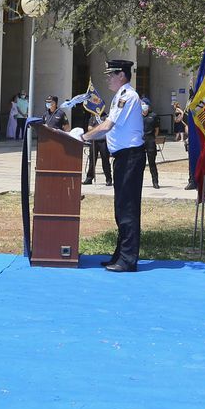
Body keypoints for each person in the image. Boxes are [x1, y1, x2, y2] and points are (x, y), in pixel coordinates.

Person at [81, 59, 144, 272]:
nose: (108, 78)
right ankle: (120, 255)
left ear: (122, 76)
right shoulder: (120, 96)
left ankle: (127, 260)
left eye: (111, 74)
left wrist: (82, 137)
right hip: (123, 158)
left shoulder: (128, 96)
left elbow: (108, 125)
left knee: (127, 209)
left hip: (130, 158)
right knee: (121, 209)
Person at [138, 99, 161, 188]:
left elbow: (157, 129)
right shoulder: (138, 116)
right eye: (141, 104)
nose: (143, 106)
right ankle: (138, 182)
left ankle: (155, 182)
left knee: (152, 163)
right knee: (140, 163)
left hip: (150, 139)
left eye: (144, 104)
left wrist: (152, 138)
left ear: (148, 105)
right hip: (140, 140)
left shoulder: (153, 116)